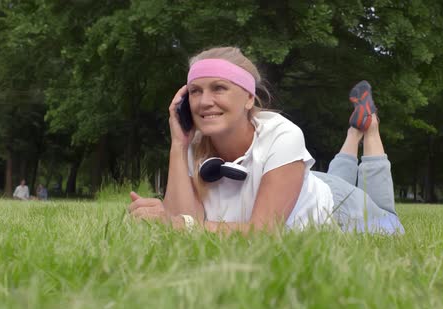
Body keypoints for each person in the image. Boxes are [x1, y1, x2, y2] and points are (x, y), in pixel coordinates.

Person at [128, 46, 404, 235]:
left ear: (249, 98)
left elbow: (264, 233)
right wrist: (179, 144)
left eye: (219, 88)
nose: (204, 102)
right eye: (195, 91)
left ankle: (369, 129)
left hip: (337, 205)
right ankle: (354, 132)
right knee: (333, 178)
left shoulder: (283, 135)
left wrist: (181, 226)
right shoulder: (194, 144)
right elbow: (184, 223)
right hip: (292, 182)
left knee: (390, 221)